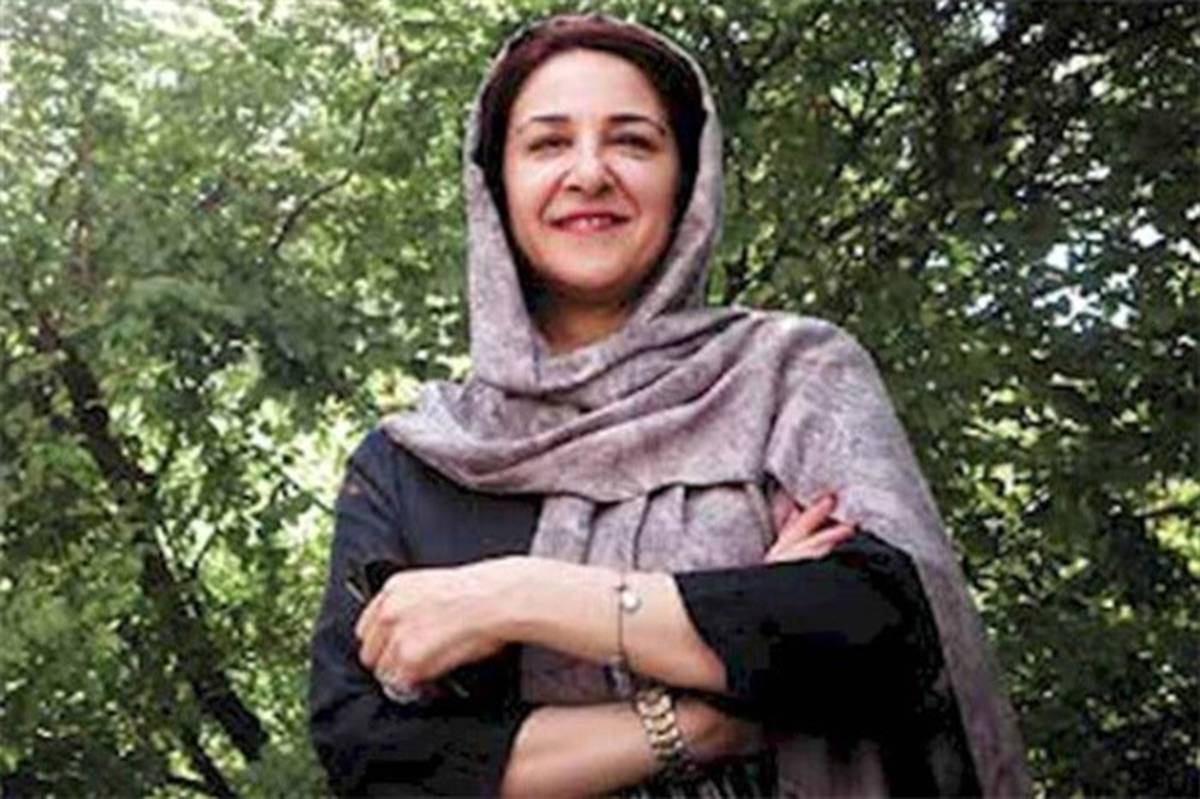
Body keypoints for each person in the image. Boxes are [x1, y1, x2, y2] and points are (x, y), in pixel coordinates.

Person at [308, 14, 1029, 798]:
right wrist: (713, 715)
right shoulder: (413, 462)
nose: (589, 172)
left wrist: (514, 595)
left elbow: (885, 631)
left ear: (687, 180)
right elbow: (373, 755)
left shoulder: (789, 375)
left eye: (632, 141)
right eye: (548, 143)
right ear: (496, 185)